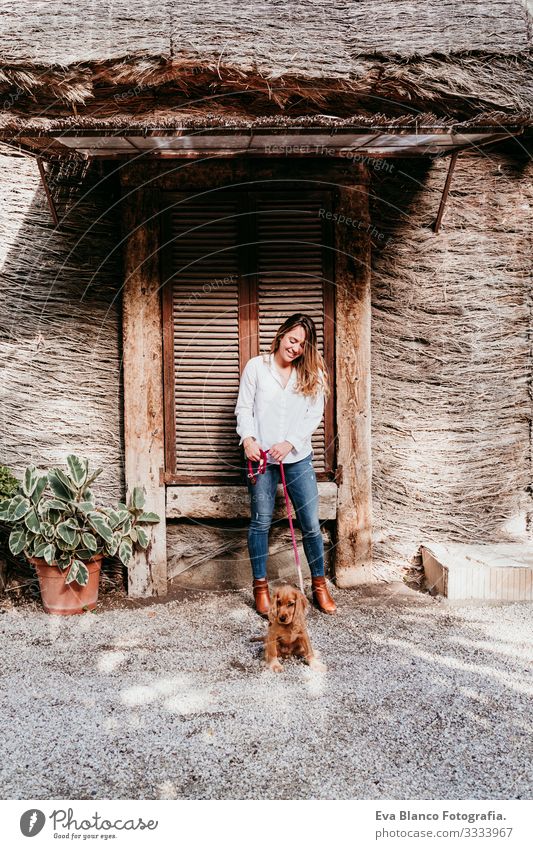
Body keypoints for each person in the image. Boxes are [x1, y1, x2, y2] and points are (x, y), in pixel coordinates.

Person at [234, 313, 337, 616]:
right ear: (281, 336)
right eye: (292, 340)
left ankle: (319, 586)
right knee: (261, 522)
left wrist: (290, 442)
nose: (295, 348)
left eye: (302, 344)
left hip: (297, 458)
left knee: (310, 525)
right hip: (261, 459)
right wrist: (249, 440)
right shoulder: (257, 367)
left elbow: (313, 414)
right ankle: (261, 587)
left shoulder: (311, 374)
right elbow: (244, 408)